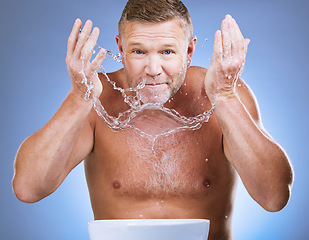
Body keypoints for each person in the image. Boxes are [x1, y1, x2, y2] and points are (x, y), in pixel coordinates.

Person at [12, 0, 294, 239]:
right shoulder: (95, 96)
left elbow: (274, 197)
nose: (153, 69)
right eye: (139, 52)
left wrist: (226, 96)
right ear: (120, 49)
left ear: (189, 51)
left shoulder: (220, 93)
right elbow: (28, 188)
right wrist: (79, 98)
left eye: (167, 52)